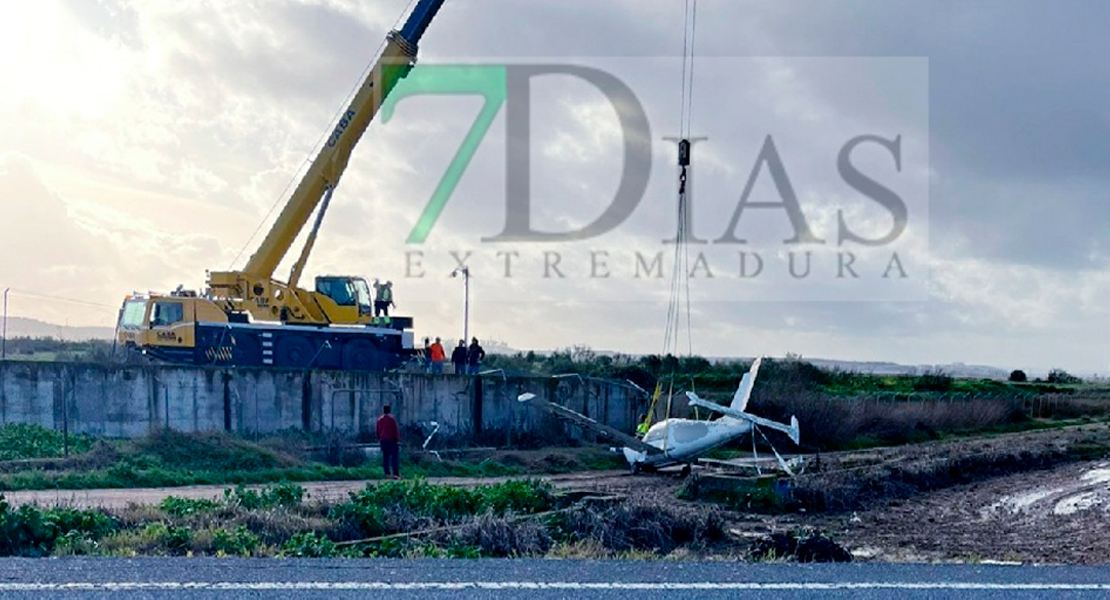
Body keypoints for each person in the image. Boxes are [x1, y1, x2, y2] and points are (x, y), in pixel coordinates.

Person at [376, 405, 401, 479]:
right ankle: (395, 473)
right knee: (394, 457)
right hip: (391, 440)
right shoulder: (391, 419)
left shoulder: (379, 419)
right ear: (389, 410)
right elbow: (394, 429)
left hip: (383, 440)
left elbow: (377, 430)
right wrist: (397, 438)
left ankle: (386, 473)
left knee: (385, 457)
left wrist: (379, 438)